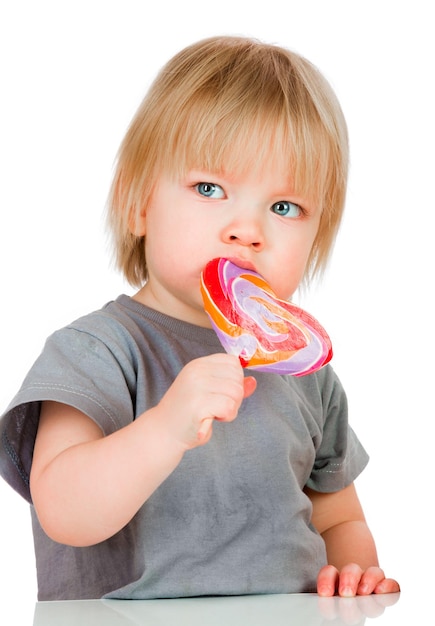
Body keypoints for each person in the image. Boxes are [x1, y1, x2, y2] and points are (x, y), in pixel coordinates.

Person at [0, 35, 400, 601]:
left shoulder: (305, 374)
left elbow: (339, 521)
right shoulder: (96, 350)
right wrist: (166, 427)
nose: (247, 229)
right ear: (140, 202)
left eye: (284, 207)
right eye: (209, 188)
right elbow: (63, 509)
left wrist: (355, 573)